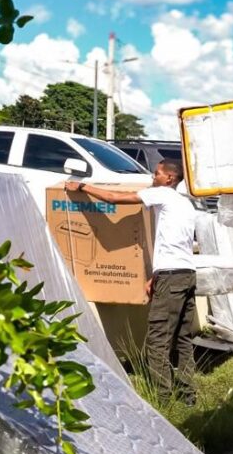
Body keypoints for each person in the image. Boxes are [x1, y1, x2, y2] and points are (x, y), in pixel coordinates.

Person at [66, 160, 197, 405]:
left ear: (169, 179)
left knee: (158, 340)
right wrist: (155, 276)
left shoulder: (162, 194)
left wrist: (82, 187)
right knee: (182, 338)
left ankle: (162, 399)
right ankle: (188, 395)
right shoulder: (185, 204)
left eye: (157, 173)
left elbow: (114, 198)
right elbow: (175, 244)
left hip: (172, 277)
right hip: (186, 274)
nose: (153, 176)